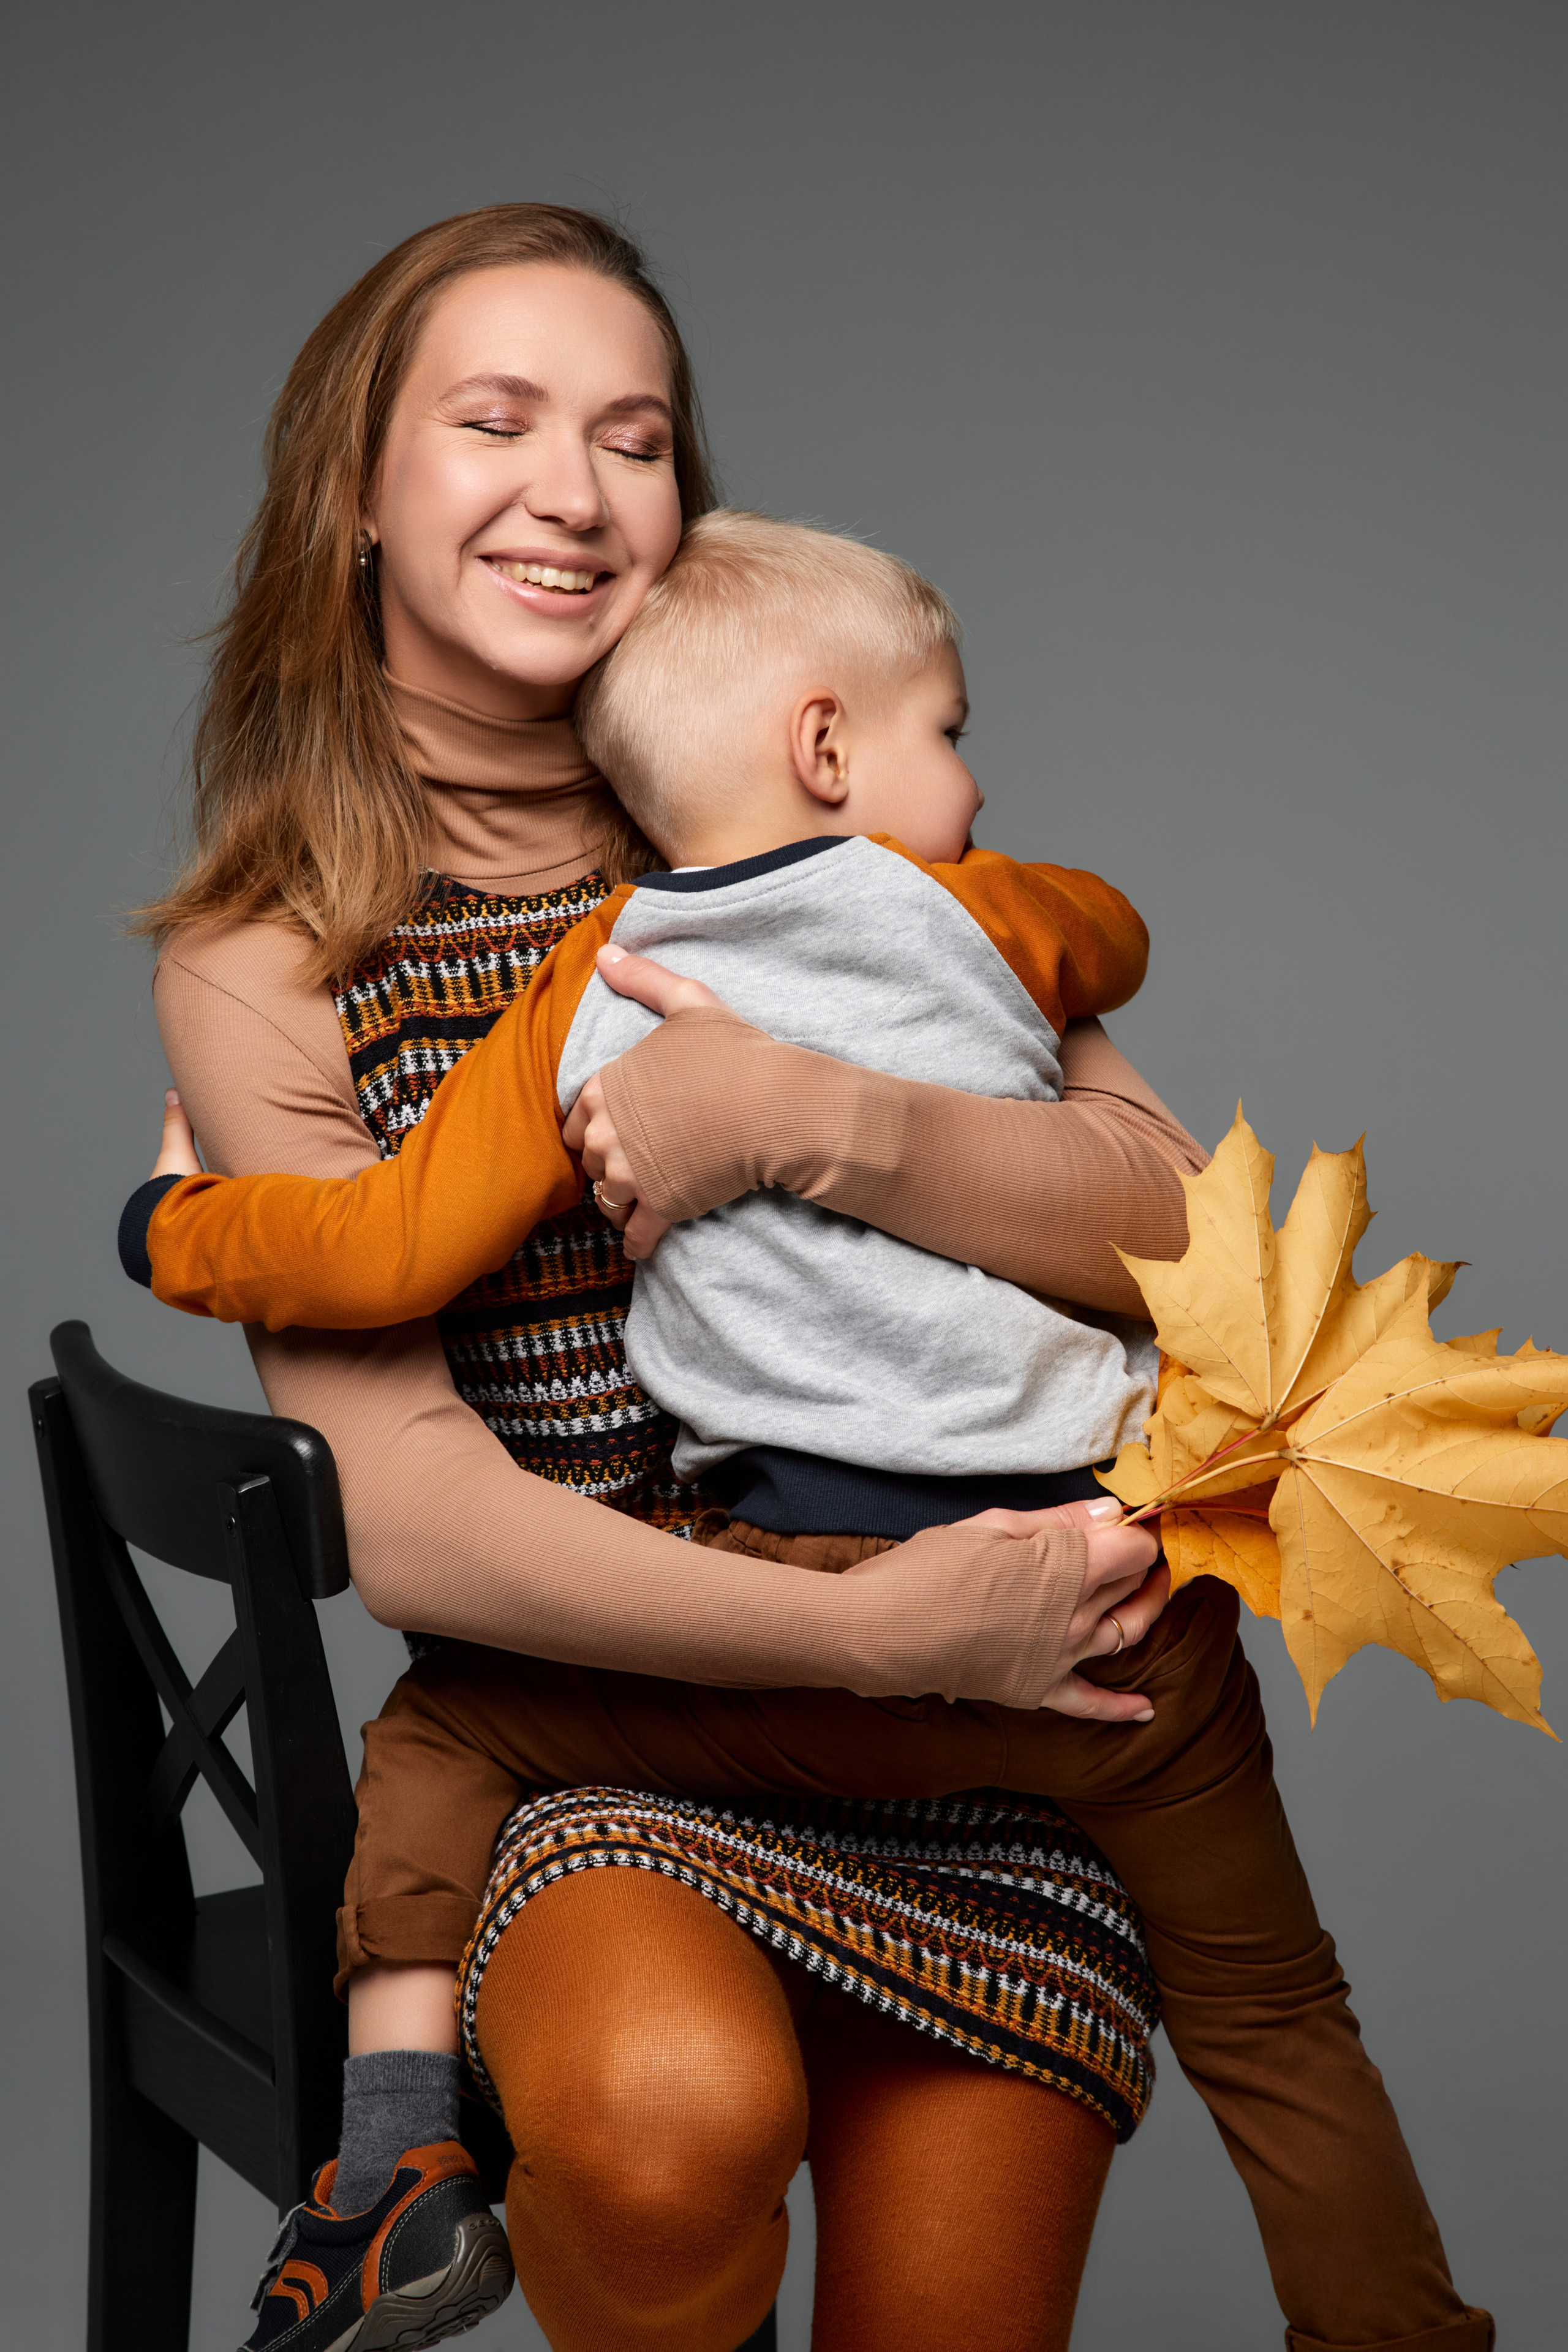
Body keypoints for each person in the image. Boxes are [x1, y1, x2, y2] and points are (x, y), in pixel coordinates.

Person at [126, 205, 1490, 2352]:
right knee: (665, 2129)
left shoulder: (801, 813)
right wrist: (884, 1642)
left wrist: (812, 1112)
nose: (574, 488)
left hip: (1022, 1731)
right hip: (635, 1733)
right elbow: (411, 1518)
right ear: (353, 498)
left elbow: (1173, 1232)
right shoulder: (271, 956)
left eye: (635, 435)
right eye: (496, 422)